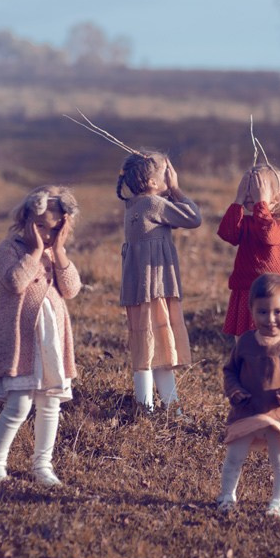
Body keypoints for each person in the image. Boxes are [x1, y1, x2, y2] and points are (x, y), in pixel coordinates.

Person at [0, 186, 82, 486]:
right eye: (40, 226)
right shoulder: (9, 248)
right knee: (19, 405)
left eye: (54, 229)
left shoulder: (56, 252)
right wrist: (37, 253)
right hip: (22, 343)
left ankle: (43, 466)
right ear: (25, 219)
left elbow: (71, 289)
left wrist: (59, 252)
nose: (46, 235)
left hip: (51, 342)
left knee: (50, 405)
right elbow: (14, 282)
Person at [217, 273, 280, 517]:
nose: (270, 319)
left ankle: (278, 501)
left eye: (277, 312)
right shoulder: (245, 342)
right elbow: (230, 371)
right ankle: (226, 496)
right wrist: (235, 390)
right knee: (234, 456)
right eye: (262, 312)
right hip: (248, 411)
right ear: (252, 311)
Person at [117, 150, 202, 415]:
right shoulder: (154, 205)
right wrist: (175, 189)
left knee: (148, 348)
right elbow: (193, 218)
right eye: (167, 171)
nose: (170, 175)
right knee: (158, 350)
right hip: (156, 289)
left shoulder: (134, 206)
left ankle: (159, 408)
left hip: (139, 291)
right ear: (153, 183)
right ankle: (152, 409)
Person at [217, 163, 280, 336]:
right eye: (247, 196)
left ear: (275, 197)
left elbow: (269, 236)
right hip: (246, 289)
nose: (250, 200)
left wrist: (261, 204)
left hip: (272, 292)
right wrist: (238, 201)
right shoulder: (249, 221)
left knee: (270, 338)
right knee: (245, 339)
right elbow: (227, 234)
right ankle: (245, 363)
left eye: (255, 196)